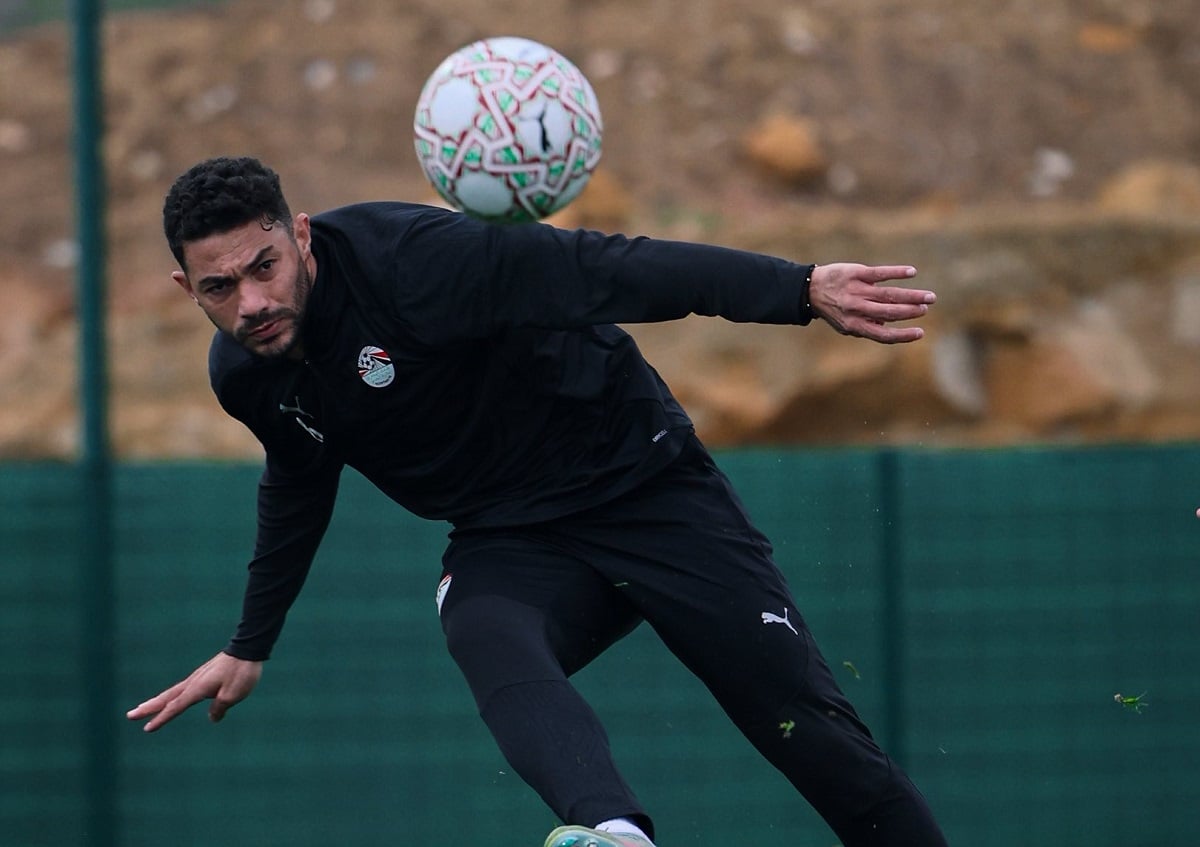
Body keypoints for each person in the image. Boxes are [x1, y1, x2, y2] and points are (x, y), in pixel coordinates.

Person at [127, 156, 948, 847]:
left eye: (263, 267)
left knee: (806, 732)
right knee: (481, 624)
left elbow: (610, 268)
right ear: (185, 287)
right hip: (511, 534)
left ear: (299, 234)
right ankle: (615, 833)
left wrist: (802, 290)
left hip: (644, 487)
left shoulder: (420, 260)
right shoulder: (247, 374)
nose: (251, 303)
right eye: (219, 287)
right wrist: (249, 642)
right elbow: (298, 482)